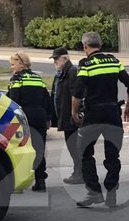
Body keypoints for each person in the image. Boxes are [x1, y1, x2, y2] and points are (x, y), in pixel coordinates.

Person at [71, 31, 129, 208]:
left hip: (93, 115)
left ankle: (94, 192)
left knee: (84, 152)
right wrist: (128, 106)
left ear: (85, 46)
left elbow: (77, 93)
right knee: (113, 155)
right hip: (113, 114)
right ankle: (112, 193)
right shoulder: (114, 61)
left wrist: (74, 112)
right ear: (100, 44)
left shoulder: (86, 64)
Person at [6, 51, 56, 192]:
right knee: (38, 149)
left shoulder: (17, 79)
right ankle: (40, 181)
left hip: (24, 118)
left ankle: (19, 183)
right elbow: (47, 100)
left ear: (21, 64)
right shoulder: (37, 79)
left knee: (20, 149)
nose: (11, 67)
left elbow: (13, 101)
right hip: (39, 117)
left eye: (13, 64)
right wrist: (48, 117)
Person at [50, 47, 82, 186]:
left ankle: (79, 172)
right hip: (65, 115)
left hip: (72, 116)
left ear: (65, 58)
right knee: (72, 145)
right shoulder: (61, 73)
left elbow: (77, 94)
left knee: (74, 145)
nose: (55, 62)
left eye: (56, 59)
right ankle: (78, 171)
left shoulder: (72, 72)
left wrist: (75, 112)